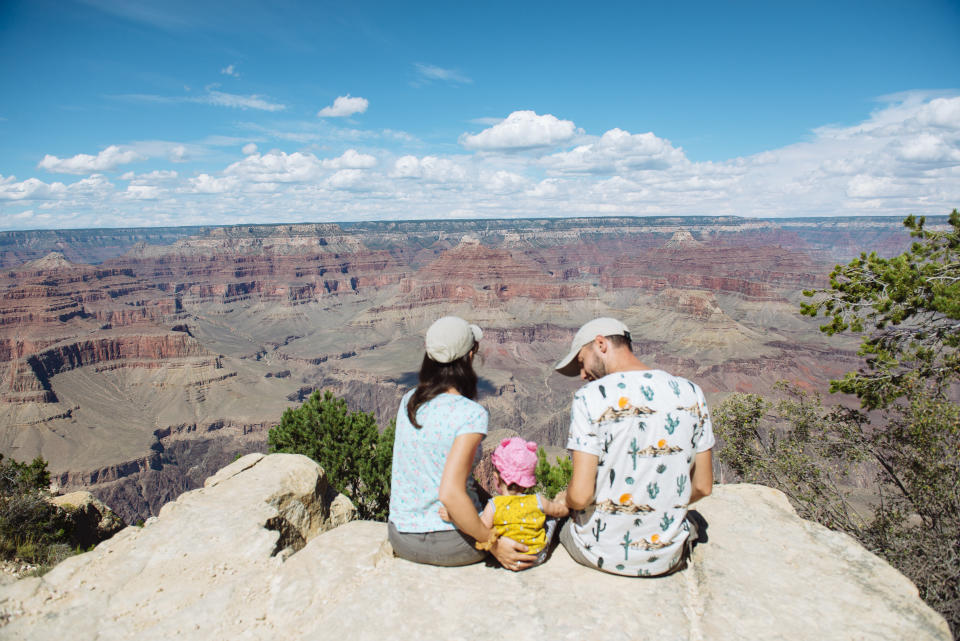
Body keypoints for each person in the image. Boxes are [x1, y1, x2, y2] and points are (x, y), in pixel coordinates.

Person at [553, 317, 714, 577]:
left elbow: (581, 496)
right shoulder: (691, 392)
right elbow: (702, 486)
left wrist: (566, 499)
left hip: (598, 552)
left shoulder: (589, 397)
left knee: (552, 522)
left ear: (601, 344)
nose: (582, 375)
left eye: (582, 362)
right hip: (668, 558)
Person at [388, 316, 537, 570]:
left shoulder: (408, 402)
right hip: (452, 543)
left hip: (401, 536)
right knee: (523, 523)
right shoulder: (470, 414)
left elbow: (436, 474)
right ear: (468, 357)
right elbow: (450, 493)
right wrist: (493, 544)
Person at [440, 436, 568, 567]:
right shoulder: (538, 500)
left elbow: (477, 527)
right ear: (528, 482)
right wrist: (564, 503)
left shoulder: (494, 505)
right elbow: (560, 511)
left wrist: (454, 517)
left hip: (506, 554)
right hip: (537, 556)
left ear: (496, 478)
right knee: (551, 516)